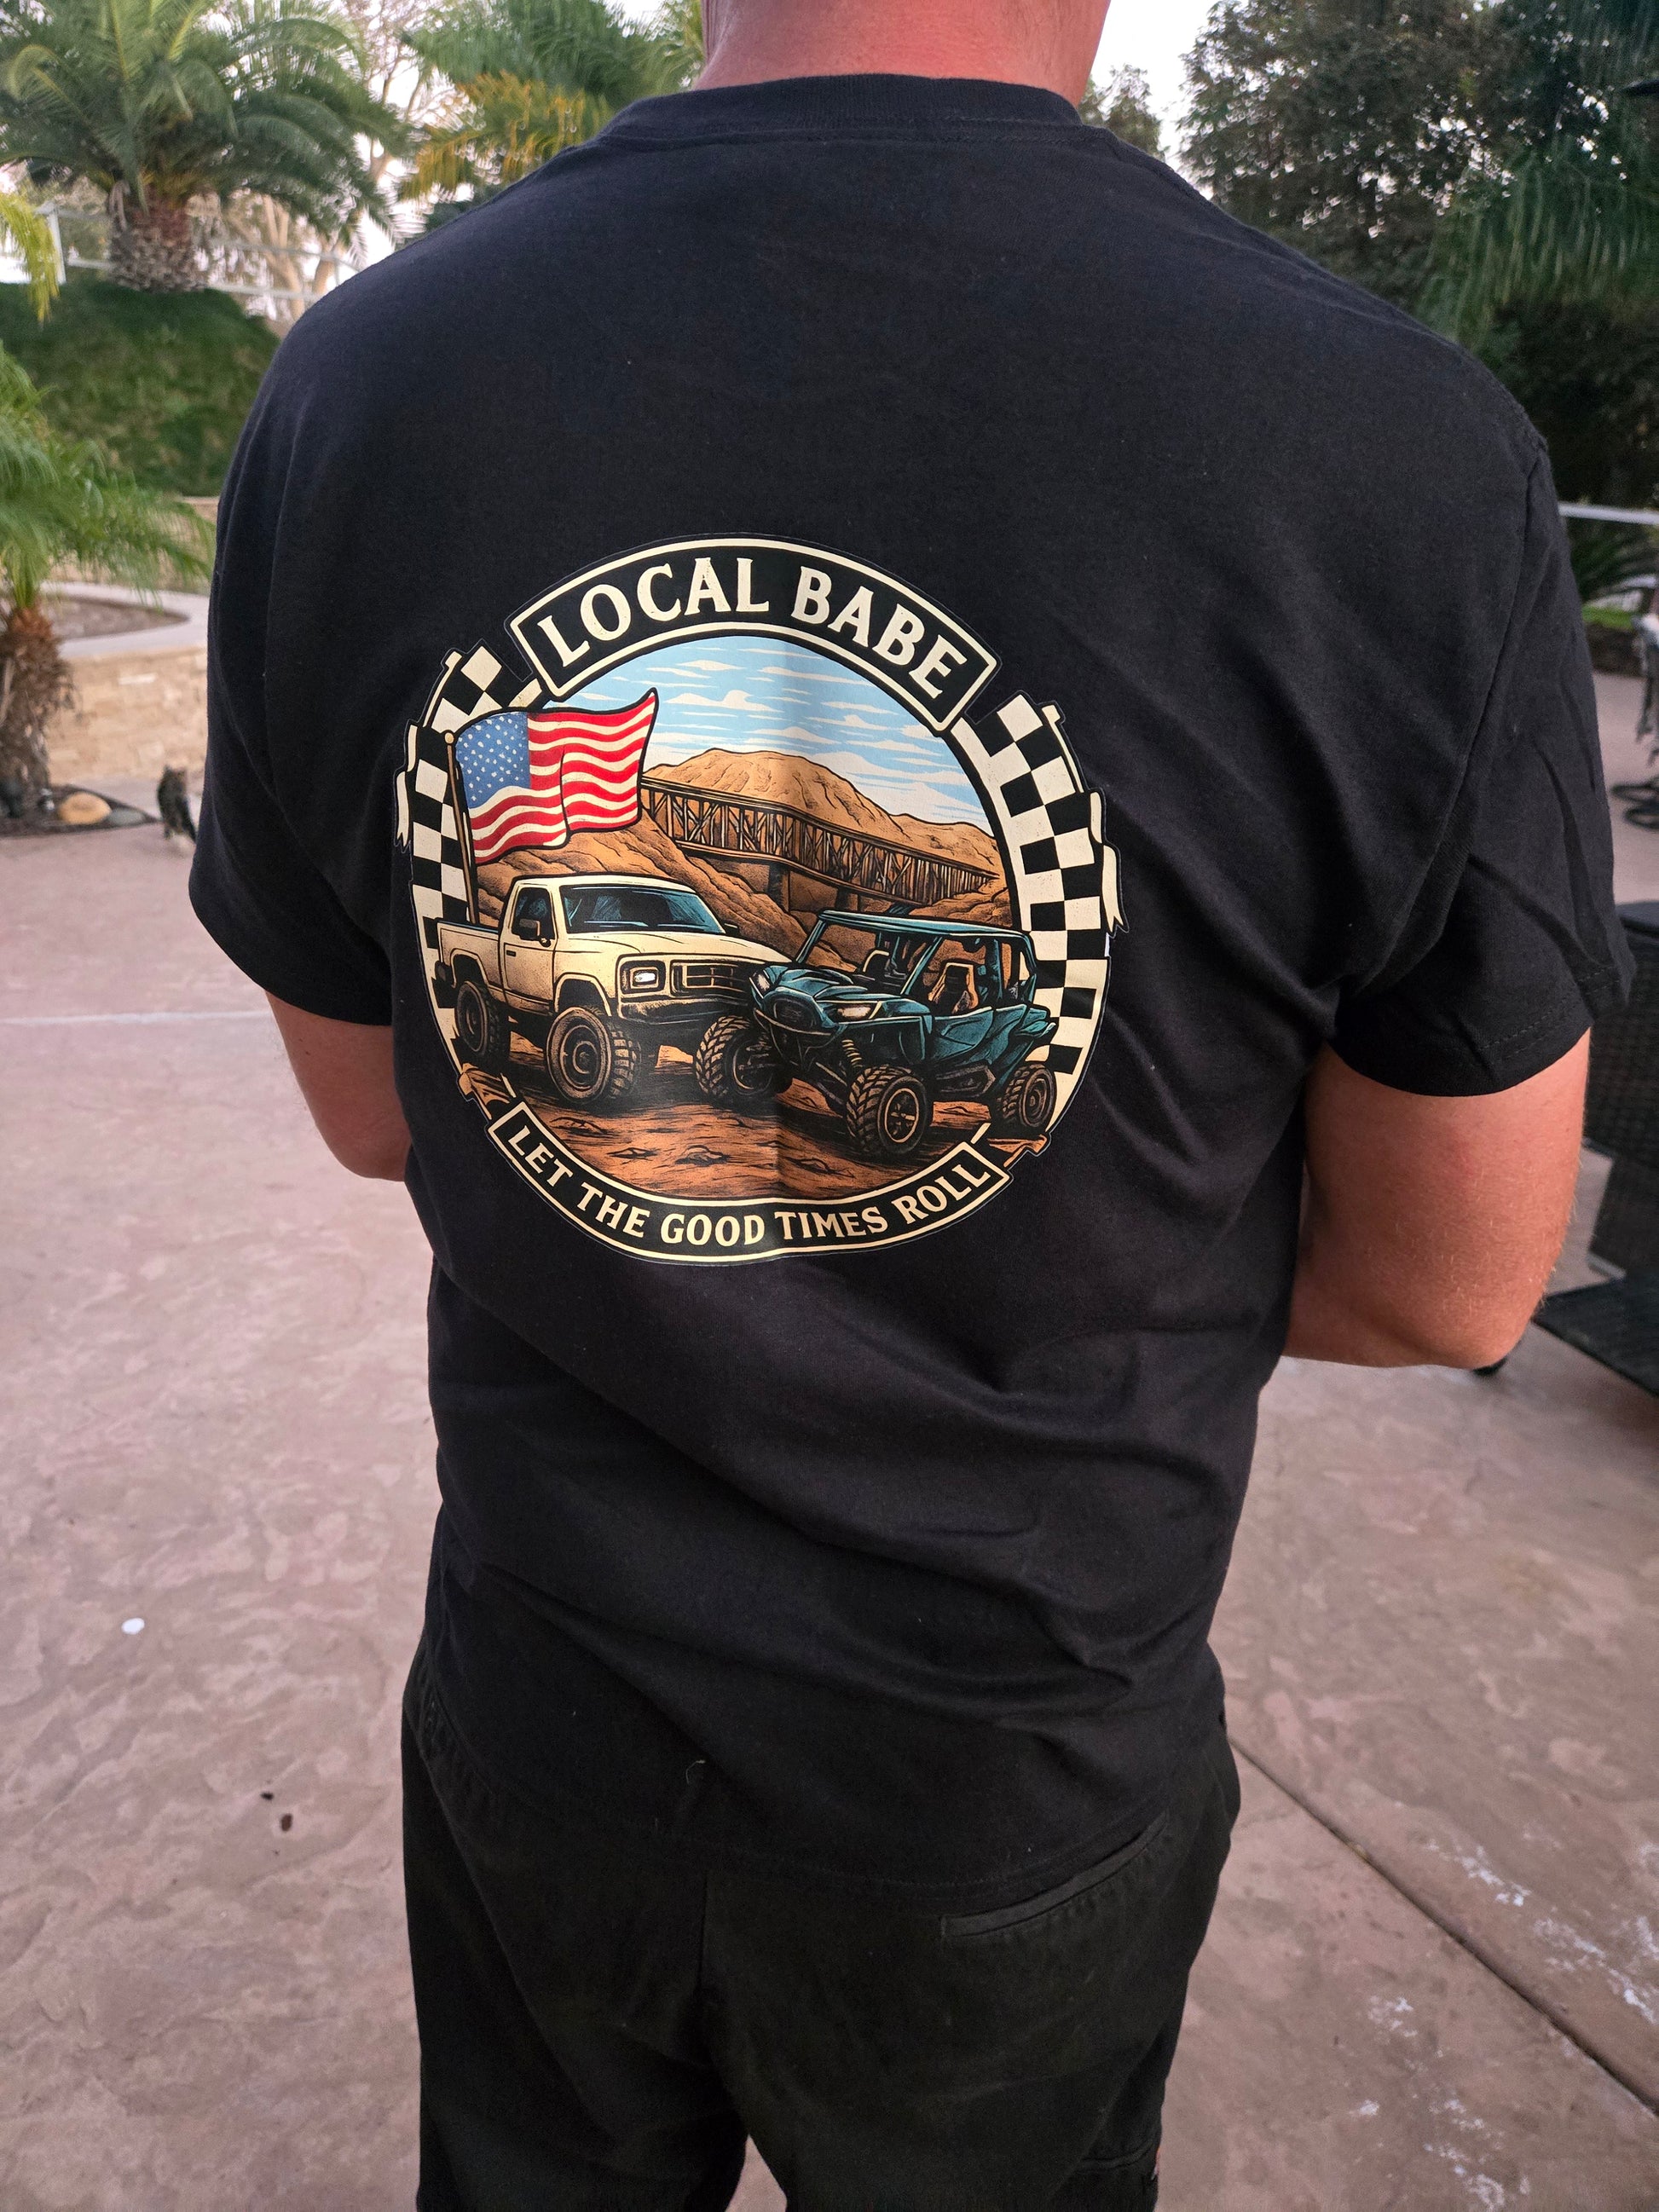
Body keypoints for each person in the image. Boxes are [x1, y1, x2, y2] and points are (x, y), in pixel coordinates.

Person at [189, 1, 1632, 2203]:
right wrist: (1070, 1243)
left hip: (548, 1703)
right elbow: (1449, 1280)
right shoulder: (1392, 451)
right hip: (1003, 1766)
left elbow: (382, 1112)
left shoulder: (366, 384)